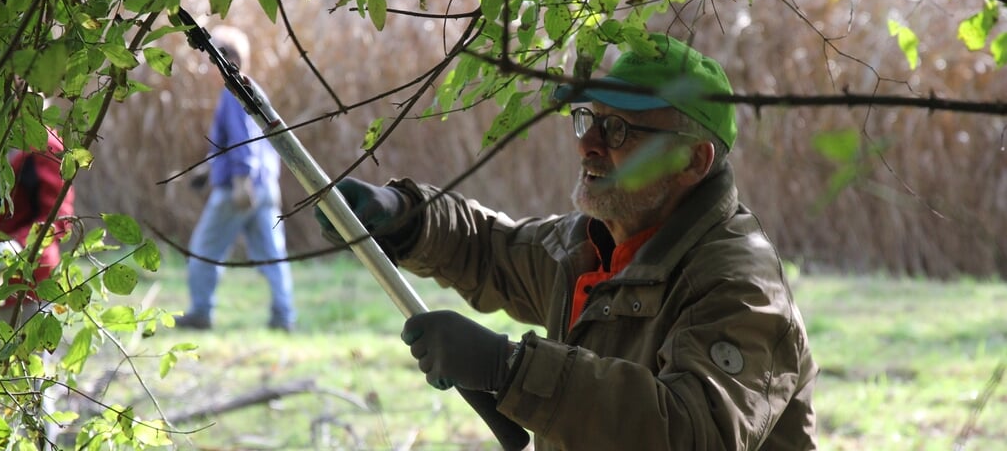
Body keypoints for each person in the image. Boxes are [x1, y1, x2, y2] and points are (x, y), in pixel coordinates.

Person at [317, 33, 818, 450]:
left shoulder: (740, 286)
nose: (588, 143)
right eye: (588, 119)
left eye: (618, 129)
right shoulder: (595, 242)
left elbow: (690, 433)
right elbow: (493, 250)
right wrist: (404, 217)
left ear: (693, 162)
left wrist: (510, 368)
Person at [175, 26, 296, 332]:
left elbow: (243, 143)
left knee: (204, 249)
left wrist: (241, 181)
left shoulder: (233, 92)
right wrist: (207, 170)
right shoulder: (252, 89)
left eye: (213, 53)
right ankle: (284, 316)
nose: (207, 62)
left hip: (238, 189)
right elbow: (256, 140)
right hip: (265, 186)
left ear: (227, 57)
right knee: (272, 255)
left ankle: (201, 312)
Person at [0, 127, 75, 451]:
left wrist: (14, 251)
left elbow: (57, 218)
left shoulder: (44, 146)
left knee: (28, 385)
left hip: (25, 285)